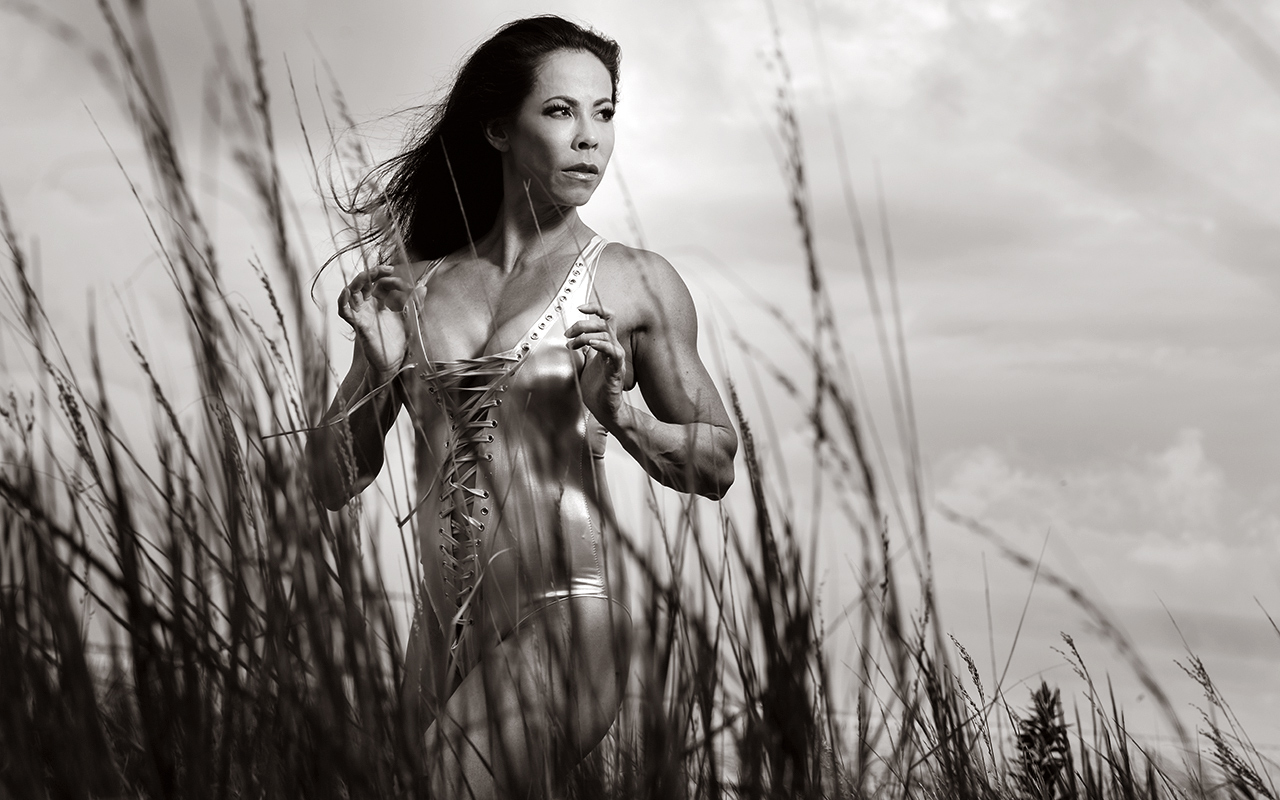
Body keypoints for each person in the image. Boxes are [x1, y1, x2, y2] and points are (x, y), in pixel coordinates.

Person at [305, 15, 737, 799]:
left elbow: (716, 463)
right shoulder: (417, 284)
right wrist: (378, 370)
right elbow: (329, 482)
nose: (589, 138)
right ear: (499, 129)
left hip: (571, 619)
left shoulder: (634, 281)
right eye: (561, 110)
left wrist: (626, 418)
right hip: (437, 638)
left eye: (604, 113)